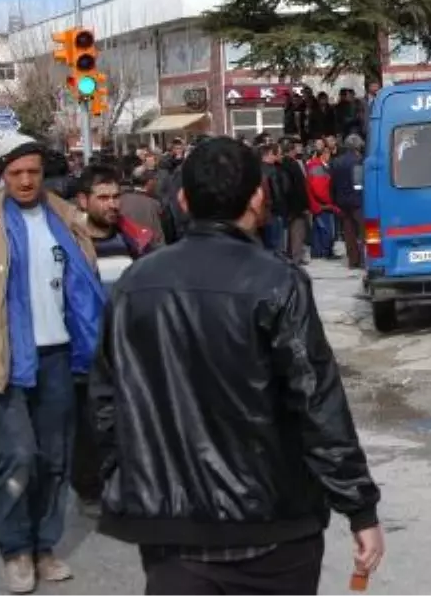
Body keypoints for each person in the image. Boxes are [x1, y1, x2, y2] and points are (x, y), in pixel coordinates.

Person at [90, 136, 385, 594]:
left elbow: (106, 400)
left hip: (173, 531)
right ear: (257, 196)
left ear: (184, 200)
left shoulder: (136, 284)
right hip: (271, 526)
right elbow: (316, 402)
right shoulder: (277, 280)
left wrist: (128, 479)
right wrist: (359, 508)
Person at [0, 132, 104, 593]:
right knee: (19, 457)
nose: (25, 180)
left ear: (44, 173)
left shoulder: (63, 216)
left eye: (33, 172)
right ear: (2, 173)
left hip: (60, 355)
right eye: (16, 172)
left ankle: (44, 546)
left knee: (55, 459)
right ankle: (15, 548)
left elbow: (85, 275)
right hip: (6, 358)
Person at [71, 165, 156, 517]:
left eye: (116, 196)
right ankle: (90, 489)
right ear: (83, 200)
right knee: (89, 427)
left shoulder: (134, 239)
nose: (112, 204)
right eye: (103, 197)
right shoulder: (71, 244)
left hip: (129, 349)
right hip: (85, 351)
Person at [330, 134, 366, 269]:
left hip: (342, 202)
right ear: (357, 146)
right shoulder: (359, 161)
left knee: (348, 233)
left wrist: (335, 200)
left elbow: (332, 184)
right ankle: (363, 259)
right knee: (363, 232)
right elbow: (360, 183)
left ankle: (353, 260)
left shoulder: (337, 162)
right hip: (358, 201)